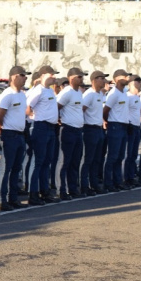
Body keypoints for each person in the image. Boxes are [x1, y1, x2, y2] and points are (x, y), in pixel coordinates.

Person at [0, 66, 29, 211]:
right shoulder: (7, 95)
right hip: (9, 134)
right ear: (14, 77)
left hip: (20, 135)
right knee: (6, 169)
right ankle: (2, 200)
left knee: (16, 169)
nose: (25, 78)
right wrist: (1, 130)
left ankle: (13, 198)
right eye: (22, 75)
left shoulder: (21, 94)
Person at [26, 65, 61, 205]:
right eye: (52, 75)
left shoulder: (49, 91)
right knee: (38, 162)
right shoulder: (38, 90)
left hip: (50, 128)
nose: (55, 77)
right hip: (41, 127)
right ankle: (33, 193)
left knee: (47, 161)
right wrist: (34, 117)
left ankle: (44, 191)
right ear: (44, 75)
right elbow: (27, 107)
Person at [56, 68, 87, 199]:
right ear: (72, 78)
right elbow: (56, 107)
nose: (82, 79)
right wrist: (58, 120)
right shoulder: (67, 92)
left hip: (78, 130)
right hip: (68, 129)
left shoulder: (78, 92)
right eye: (79, 77)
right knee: (64, 162)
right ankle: (61, 190)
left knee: (75, 161)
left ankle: (73, 189)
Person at [102, 69, 130, 192]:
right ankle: (108, 183)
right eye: (124, 76)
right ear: (117, 79)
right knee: (112, 157)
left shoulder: (124, 93)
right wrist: (109, 122)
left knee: (120, 157)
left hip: (123, 126)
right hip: (115, 126)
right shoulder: (113, 94)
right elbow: (105, 111)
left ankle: (118, 181)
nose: (127, 78)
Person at [81, 70, 107, 195]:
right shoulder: (89, 94)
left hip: (98, 129)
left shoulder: (99, 95)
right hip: (90, 129)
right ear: (94, 80)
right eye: (101, 78)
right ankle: (85, 185)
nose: (104, 81)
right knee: (88, 159)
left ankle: (94, 184)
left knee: (97, 159)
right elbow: (82, 110)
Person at [124, 75, 141, 187]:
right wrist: (129, 123)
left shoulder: (136, 97)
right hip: (130, 127)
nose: (140, 84)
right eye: (138, 82)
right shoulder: (128, 97)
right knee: (128, 154)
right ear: (131, 84)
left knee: (133, 154)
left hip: (137, 127)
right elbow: (123, 112)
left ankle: (131, 176)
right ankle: (127, 178)